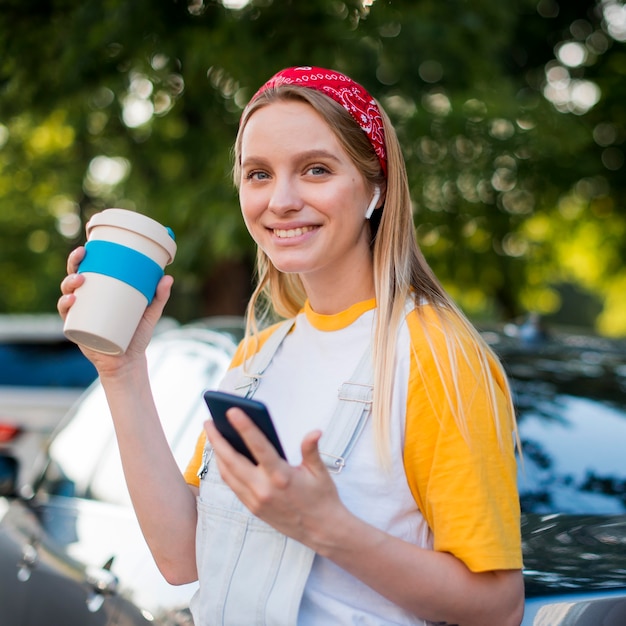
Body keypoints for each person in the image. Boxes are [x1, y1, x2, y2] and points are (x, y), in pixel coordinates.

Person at [59, 66, 524, 626]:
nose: (280, 200)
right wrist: (122, 371)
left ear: (375, 188)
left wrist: (328, 529)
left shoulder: (437, 354)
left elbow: (497, 606)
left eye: (316, 170)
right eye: (258, 174)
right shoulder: (257, 358)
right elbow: (182, 558)